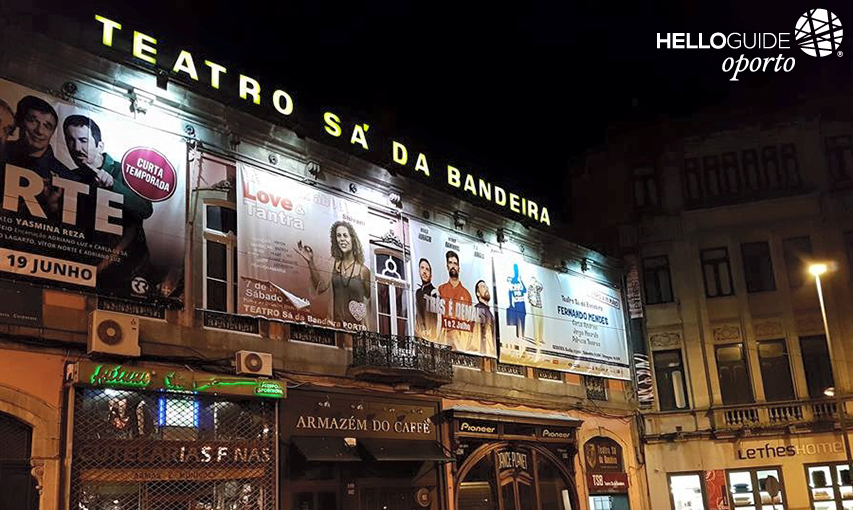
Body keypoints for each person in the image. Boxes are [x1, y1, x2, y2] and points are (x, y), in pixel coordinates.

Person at [62, 114, 153, 290]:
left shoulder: (125, 172)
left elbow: (145, 209)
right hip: (85, 272)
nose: (77, 148)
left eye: (83, 140)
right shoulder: (72, 176)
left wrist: (113, 185)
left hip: (130, 273)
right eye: (71, 141)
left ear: (100, 146)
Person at [6, 95, 74, 220]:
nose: (39, 131)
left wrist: (52, 208)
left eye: (47, 126)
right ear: (20, 122)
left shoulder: (66, 178)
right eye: (33, 121)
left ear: (52, 133)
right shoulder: (2, 152)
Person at [296, 220, 371, 330]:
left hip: (358, 331)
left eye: (345, 235)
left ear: (353, 239)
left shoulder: (364, 271)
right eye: (338, 236)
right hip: (336, 328)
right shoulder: (332, 264)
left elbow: (370, 301)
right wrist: (310, 262)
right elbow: (320, 286)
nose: (342, 239)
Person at [438, 250, 472, 349]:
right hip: (444, 341)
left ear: (459, 268)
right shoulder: (441, 289)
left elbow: (469, 323)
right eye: (450, 263)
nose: (453, 266)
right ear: (447, 266)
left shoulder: (466, 294)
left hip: (460, 343)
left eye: (455, 263)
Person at [415, 258, 440, 340]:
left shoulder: (434, 292)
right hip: (420, 335)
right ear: (419, 270)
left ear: (431, 275)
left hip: (431, 335)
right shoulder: (418, 292)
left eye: (427, 269)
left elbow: (438, 318)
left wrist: (435, 336)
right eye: (422, 268)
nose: (424, 271)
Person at [473, 279, 496, 357]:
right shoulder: (478, 309)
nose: (486, 288)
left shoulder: (489, 313)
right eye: (483, 287)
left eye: (486, 287)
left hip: (490, 353)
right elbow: (476, 335)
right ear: (478, 293)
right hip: (484, 354)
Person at [506, 263, 527, 339]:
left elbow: (525, 290)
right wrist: (510, 303)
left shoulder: (520, 281)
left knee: (523, 317)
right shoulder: (512, 281)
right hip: (516, 302)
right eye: (515, 270)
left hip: (522, 302)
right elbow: (510, 292)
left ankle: (523, 334)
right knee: (517, 318)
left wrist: (521, 281)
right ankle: (518, 334)